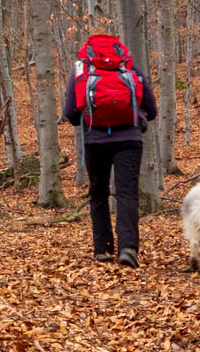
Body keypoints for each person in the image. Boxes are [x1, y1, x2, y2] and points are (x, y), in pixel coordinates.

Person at [63, 33, 157, 267]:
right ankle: (128, 249)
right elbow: (151, 109)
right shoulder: (129, 66)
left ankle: (102, 250)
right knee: (127, 193)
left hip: (95, 140)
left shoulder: (82, 69)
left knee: (98, 194)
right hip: (130, 139)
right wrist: (138, 117)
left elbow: (71, 113)